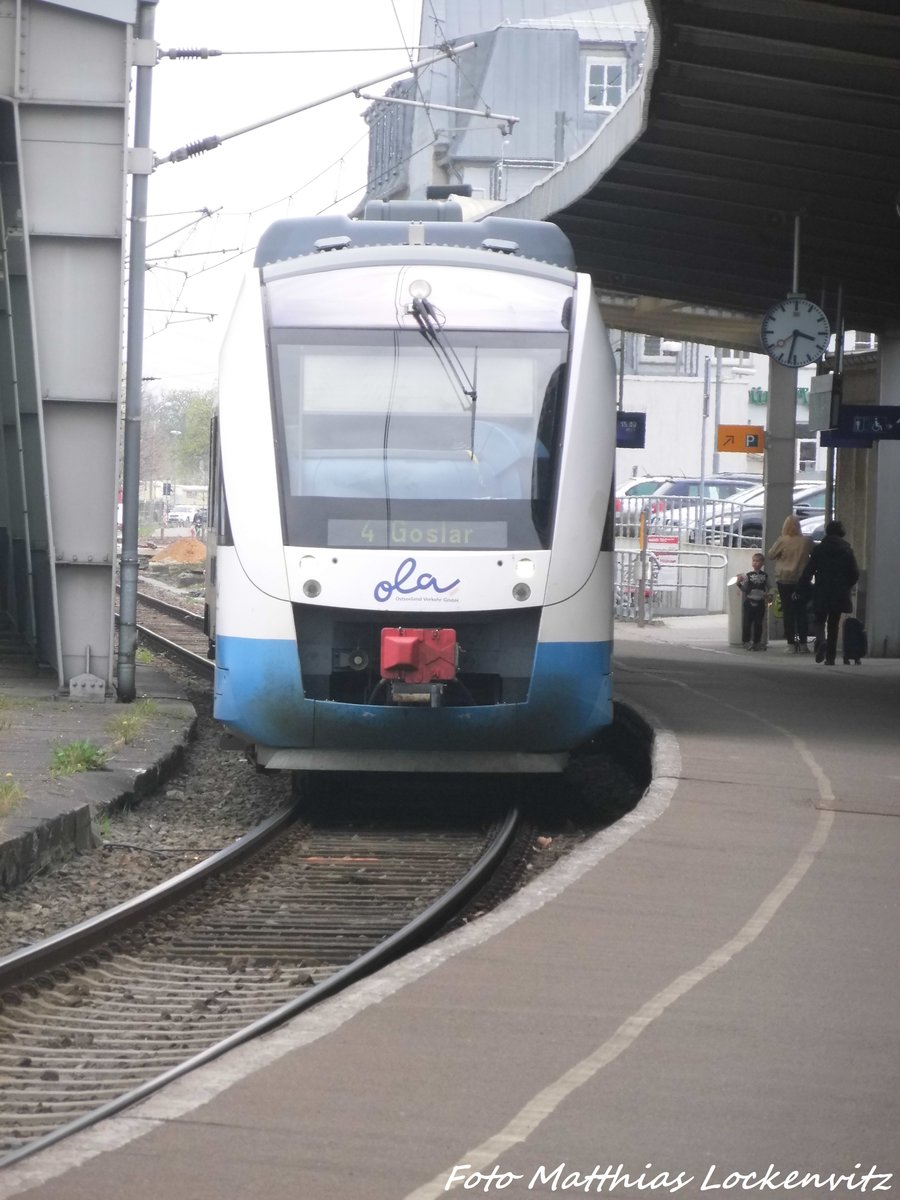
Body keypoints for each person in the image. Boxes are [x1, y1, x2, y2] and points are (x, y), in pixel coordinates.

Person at [799, 519, 860, 666]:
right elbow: (855, 573)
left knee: (819, 620)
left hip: (822, 589)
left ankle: (821, 642)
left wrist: (804, 586)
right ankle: (830, 658)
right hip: (839, 591)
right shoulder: (847, 550)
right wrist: (847, 585)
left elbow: (809, 571)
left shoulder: (819, 549)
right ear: (841, 533)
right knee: (833, 624)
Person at [767, 514, 815, 653]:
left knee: (788, 612)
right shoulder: (806, 541)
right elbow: (815, 553)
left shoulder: (782, 541)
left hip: (784, 580)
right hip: (801, 581)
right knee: (801, 612)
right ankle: (804, 644)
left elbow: (770, 555)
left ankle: (791, 645)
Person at [736, 552, 769, 650]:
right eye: (754, 561)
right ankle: (746, 641)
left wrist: (769, 595)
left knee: (759, 623)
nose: (755, 563)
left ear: (763, 563)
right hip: (749, 601)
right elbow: (745, 589)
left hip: (760, 602)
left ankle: (757, 641)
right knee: (747, 622)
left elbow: (770, 587)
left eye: (758, 561)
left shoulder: (765, 576)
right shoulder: (748, 575)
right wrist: (738, 583)